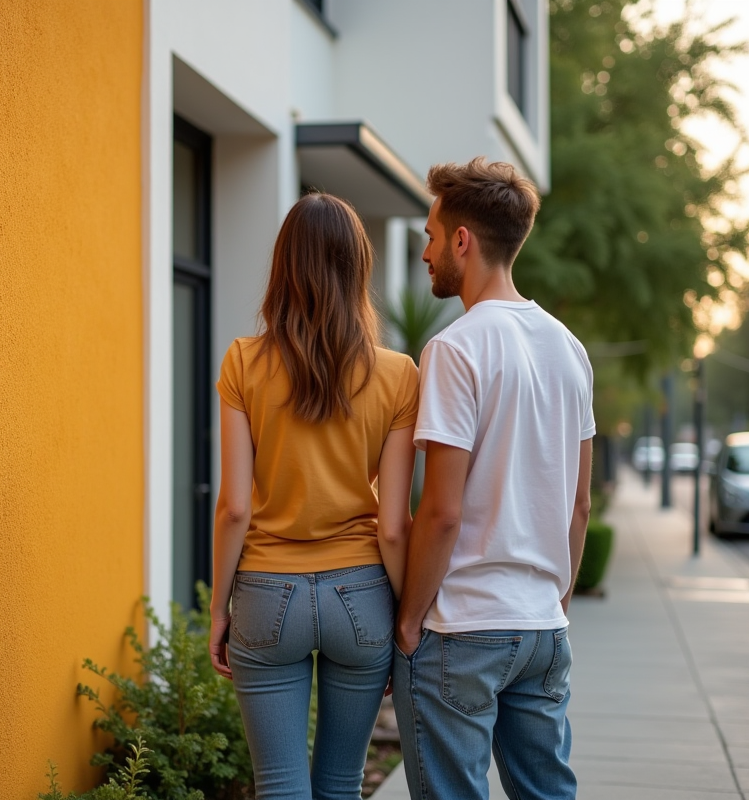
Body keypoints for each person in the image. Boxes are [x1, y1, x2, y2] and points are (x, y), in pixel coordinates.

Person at [393, 158, 594, 800]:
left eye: (429, 235)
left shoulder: (455, 348)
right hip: (542, 627)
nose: (424, 252)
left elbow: (442, 512)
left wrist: (409, 619)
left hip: (464, 628)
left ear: (462, 240)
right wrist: (554, 601)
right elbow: (579, 505)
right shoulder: (570, 348)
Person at [207, 192, 419, 799]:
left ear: (283, 265)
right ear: (358, 268)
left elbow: (235, 508)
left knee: (279, 786)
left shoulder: (243, 363)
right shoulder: (399, 374)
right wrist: (402, 621)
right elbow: (395, 525)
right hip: (362, 596)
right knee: (341, 784)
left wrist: (220, 609)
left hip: (268, 593)